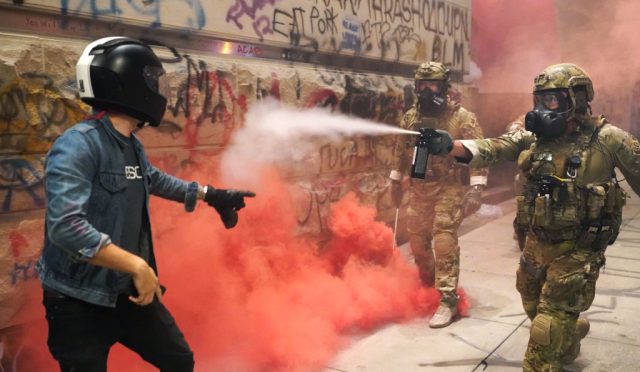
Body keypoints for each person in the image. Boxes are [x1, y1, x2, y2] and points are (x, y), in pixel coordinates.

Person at [37, 37, 255, 371]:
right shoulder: (77, 145)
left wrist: (210, 194)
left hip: (128, 291)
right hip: (78, 300)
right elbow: (66, 227)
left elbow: (152, 179)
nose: (158, 90)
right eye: (151, 80)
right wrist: (137, 266)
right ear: (125, 83)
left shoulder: (130, 145)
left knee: (178, 360)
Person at [437, 63, 640, 371]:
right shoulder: (535, 139)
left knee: (544, 330)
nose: (545, 108)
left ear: (579, 98)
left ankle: (553, 341)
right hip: (538, 241)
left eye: (554, 100)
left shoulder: (609, 139)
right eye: (540, 100)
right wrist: (448, 146)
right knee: (531, 300)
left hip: (579, 248)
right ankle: (569, 333)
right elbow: (493, 147)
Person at [389, 61, 488, 328]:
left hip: (450, 188)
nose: (425, 90)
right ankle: (428, 287)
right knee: (418, 244)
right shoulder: (410, 117)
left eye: (431, 84)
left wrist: (477, 188)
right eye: (421, 85)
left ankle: (447, 299)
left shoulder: (461, 117)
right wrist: (395, 182)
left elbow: (479, 151)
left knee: (444, 241)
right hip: (420, 188)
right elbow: (400, 151)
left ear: (444, 87)